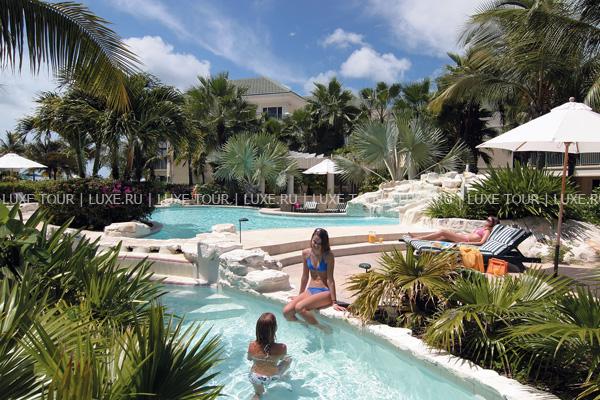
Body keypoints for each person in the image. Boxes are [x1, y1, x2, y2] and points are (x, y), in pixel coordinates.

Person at [283, 228, 345, 326]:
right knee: (287, 312)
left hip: (325, 292)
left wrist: (334, 302)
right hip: (311, 290)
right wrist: (300, 295)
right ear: (311, 239)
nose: (316, 245)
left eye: (319, 243)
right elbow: (305, 276)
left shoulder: (328, 256)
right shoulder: (306, 253)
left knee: (300, 307)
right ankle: (306, 325)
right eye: (314, 242)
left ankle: (321, 329)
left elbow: (330, 280)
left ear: (324, 244)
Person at [247, 312, 291, 399]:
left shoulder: (252, 345)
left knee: (258, 394)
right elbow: (282, 358)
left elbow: (249, 358)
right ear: (275, 328)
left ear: (257, 329)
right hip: (272, 377)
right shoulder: (282, 347)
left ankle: (257, 394)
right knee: (288, 359)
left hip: (255, 377)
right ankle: (282, 377)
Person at [408, 216, 499, 245]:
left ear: (492, 224)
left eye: (488, 220)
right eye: (487, 219)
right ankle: (422, 241)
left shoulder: (487, 231)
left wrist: (466, 243)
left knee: (442, 232)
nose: (486, 220)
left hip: (465, 240)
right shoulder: (483, 229)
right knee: (442, 237)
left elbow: (481, 242)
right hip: (463, 237)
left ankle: (419, 238)